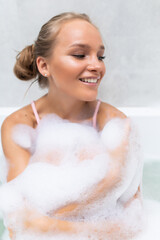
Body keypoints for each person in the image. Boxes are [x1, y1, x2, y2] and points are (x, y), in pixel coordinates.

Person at [1, 12, 143, 240]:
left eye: (101, 56)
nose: (96, 66)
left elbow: (133, 222)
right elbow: (18, 221)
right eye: (80, 55)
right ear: (44, 65)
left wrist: (114, 178)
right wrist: (107, 180)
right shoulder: (20, 126)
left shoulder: (114, 124)